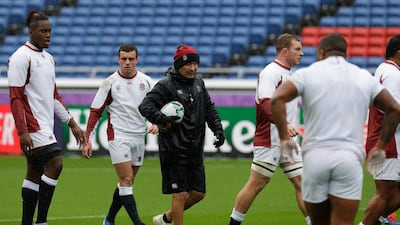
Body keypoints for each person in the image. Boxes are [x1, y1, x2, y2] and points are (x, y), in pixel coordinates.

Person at [270, 32, 400, 225]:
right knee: (343, 221)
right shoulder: (362, 76)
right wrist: (381, 145)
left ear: (321, 52)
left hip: (316, 156)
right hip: (348, 158)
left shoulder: (308, 73)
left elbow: (276, 99)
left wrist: (283, 137)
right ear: (345, 53)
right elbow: (394, 108)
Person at [7, 10, 86, 225]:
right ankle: (41, 221)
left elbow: (54, 96)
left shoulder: (48, 59)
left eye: (50, 31)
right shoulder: (20, 58)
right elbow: (15, 98)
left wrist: (72, 124)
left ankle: (27, 223)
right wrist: (23, 131)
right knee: (56, 163)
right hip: (32, 127)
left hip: (45, 125)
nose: (48, 35)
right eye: (43, 31)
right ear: (31, 31)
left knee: (34, 173)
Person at [227, 33, 310, 225]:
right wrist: (285, 125)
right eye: (298, 49)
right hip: (271, 139)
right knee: (256, 184)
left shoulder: (290, 73)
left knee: (302, 183)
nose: (302, 53)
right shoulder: (270, 72)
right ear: (284, 51)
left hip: (287, 141)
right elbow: (266, 104)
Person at [138, 44, 225, 225]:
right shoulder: (165, 85)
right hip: (174, 149)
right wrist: (163, 119)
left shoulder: (199, 83)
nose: (193, 68)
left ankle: (165, 219)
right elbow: (145, 106)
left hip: (195, 149)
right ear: (178, 65)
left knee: (199, 193)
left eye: (195, 64)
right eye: (188, 64)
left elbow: (208, 108)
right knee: (180, 194)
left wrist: (217, 128)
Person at [82, 44, 158, 225]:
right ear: (118, 60)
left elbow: (160, 105)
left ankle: (109, 219)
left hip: (139, 137)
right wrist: (88, 141)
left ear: (137, 60)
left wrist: (157, 123)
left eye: (131, 59)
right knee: (126, 179)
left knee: (127, 183)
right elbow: (95, 111)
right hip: (118, 136)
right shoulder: (109, 83)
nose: (127, 62)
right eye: (124, 59)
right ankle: (138, 223)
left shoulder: (147, 82)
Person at [360, 35, 400, 225]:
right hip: (387, 141)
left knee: (388, 191)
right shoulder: (392, 74)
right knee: (384, 192)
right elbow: (392, 110)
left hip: (388, 139)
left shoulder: (386, 70)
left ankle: (377, 219)